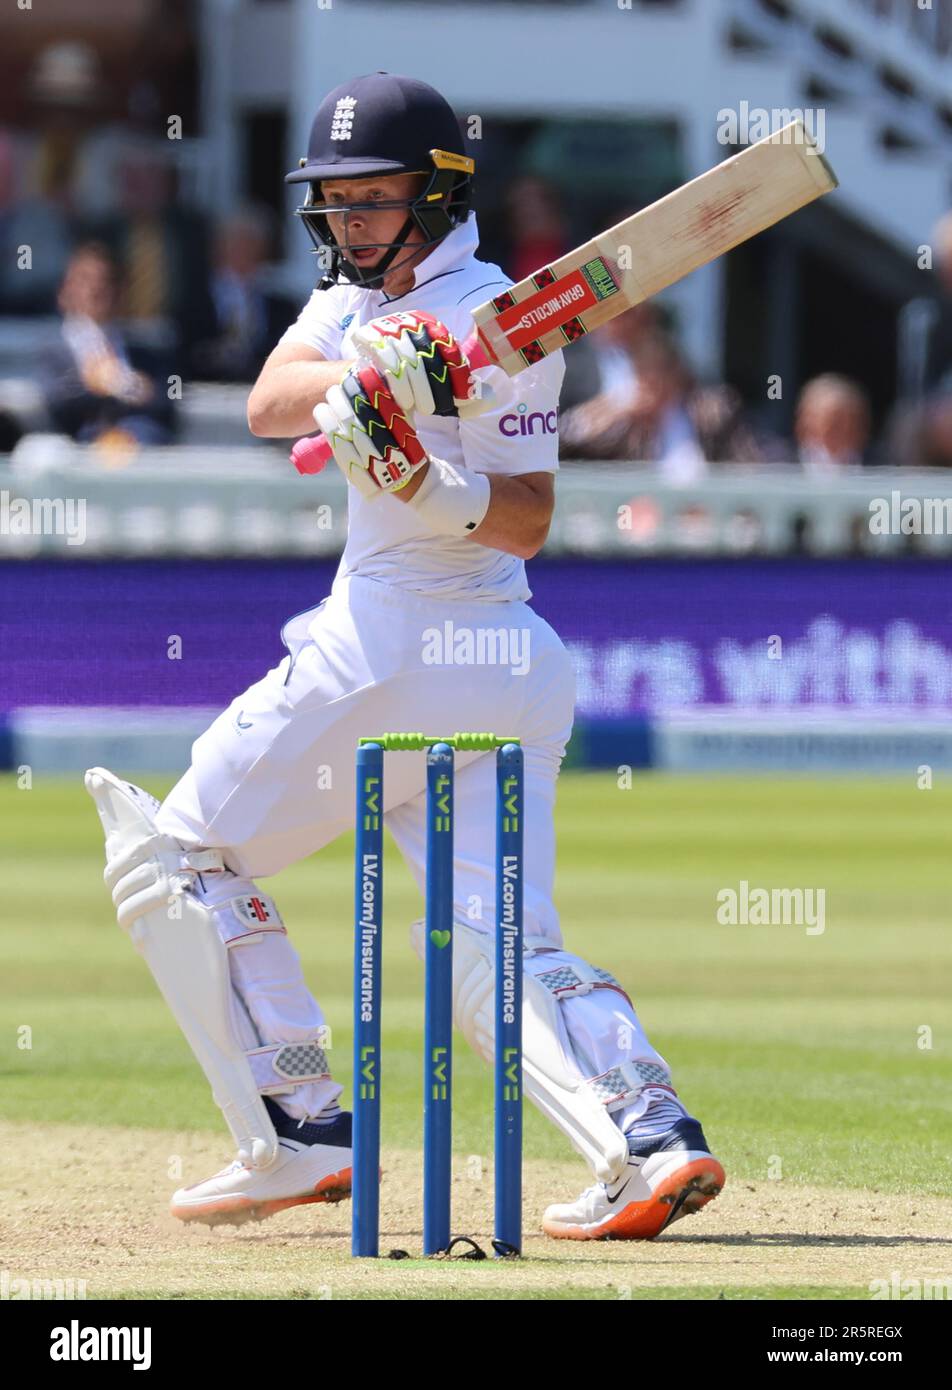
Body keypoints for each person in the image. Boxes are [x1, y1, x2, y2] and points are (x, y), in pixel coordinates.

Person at [86, 72, 723, 1242]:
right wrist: (380, 373)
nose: (346, 228)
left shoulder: (509, 321)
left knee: (174, 854)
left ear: (436, 196)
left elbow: (525, 520)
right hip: (511, 669)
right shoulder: (359, 297)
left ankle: (298, 1127)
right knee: (500, 941)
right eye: (332, 205)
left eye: (371, 203)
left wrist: (432, 477)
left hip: (401, 634)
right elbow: (271, 403)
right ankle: (647, 1137)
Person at [40, 242, 175, 446]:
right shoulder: (53, 352)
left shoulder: (144, 353)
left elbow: (166, 405)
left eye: (105, 281)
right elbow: (59, 404)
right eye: (85, 280)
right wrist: (114, 386)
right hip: (80, 453)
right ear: (65, 291)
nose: (96, 289)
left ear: (119, 291)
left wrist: (118, 384)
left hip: (138, 450)